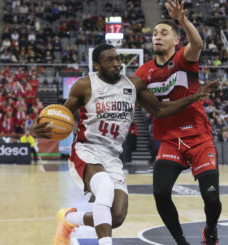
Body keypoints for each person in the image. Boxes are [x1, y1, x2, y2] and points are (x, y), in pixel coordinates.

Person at [30, 43, 218, 245]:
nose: (116, 64)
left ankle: (68, 219)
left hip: (112, 156)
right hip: (87, 149)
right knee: (104, 188)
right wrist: (38, 128)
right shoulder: (84, 85)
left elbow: (159, 110)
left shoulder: (134, 85)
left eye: (117, 59)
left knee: (116, 218)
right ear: (97, 65)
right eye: (109, 60)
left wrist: (195, 96)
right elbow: (62, 117)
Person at [135, 1, 221, 244]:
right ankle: (181, 242)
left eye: (164, 33)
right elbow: (156, 110)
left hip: (199, 137)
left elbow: (198, 43)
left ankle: (211, 230)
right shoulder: (143, 73)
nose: (157, 37)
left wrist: (182, 20)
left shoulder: (185, 58)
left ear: (175, 41)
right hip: (170, 140)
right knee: (160, 193)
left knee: (212, 199)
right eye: (154, 34)